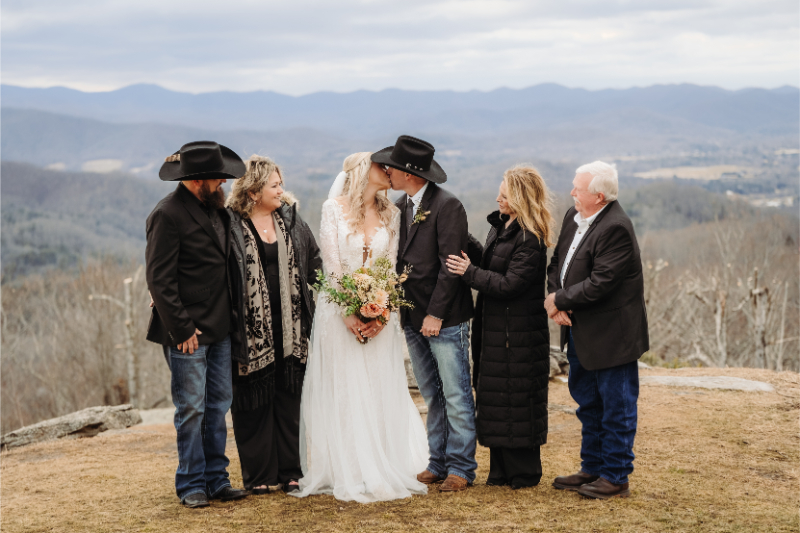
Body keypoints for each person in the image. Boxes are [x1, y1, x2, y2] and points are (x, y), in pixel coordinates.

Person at [292, 152, 429, 503]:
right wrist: (347, 312)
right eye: (380, 166)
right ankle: (348, 466)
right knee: (346, 386)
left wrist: (382, 313)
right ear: (360, 172)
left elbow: (392, 267)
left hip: (380, 312)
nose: (387, 171)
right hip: (337, 315)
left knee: (376, 385)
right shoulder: (333, 209)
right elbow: (333, 266)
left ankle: (382, 459)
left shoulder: (393, 213)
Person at [145, 141, 250, 508]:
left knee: (218, 405)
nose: (223, 183)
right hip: (187, 333)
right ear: (197, 179)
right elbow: (160, 280)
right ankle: (191, 484)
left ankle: (216, 479)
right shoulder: (167, 214)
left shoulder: (216, 210)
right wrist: (182, 330)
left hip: (221, 328)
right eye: (217, 178)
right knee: (190, 408)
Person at [375, 135, 477, 493]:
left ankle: (461, 468)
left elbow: (451, 267)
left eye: (393, 167)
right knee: (431, 394)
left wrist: (435, 315)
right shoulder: (403, 205)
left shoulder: (449, 206)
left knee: (456, 394)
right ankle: (438, 461)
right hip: (412, 317)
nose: (387, 171)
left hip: (444, 319)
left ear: (411, 173)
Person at [544, 161, 649, 500]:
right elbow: (557, 263)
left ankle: (616, 476)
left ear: (599, 196)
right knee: (588, 402)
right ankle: (592, 467)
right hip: (579, 329)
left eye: (579, 188)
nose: (572, 192)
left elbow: (601, 282)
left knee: (616, 406)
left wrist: (559, 298)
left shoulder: (616, 227)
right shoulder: (573, 218)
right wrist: (556, 301)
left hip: (612, 336)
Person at [446, 165, 555, 490]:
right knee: (498, 398)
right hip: (498, 332)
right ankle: (501, 471)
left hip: (519, 336)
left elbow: (508, 284)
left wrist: (468, 273)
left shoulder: (531, 239)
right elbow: (492, 264)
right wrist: (460, 235)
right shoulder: (504, 227)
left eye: (504, 194)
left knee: (517, 400)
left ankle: (522, 473)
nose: (498, 198)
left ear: (520, 198)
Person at [225, 155, 322, 495]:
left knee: (288, 400)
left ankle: (291, 471)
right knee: (253, 403)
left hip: (292, 327)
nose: (281, 191)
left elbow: (316, 265)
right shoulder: (231, 226)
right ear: (253, 191)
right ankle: (259, 476)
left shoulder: (293, 222)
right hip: (249, 331)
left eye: (281, 184)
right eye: (274, 185)